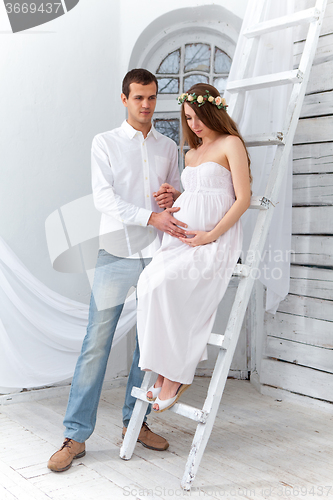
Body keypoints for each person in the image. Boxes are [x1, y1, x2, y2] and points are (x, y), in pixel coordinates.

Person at [47, 69, 188, 472]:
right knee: (96, 344)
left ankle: (136, 423)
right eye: (139, 97)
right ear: (124, 99)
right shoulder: (104, 143)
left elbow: (178, 194)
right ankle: (75, 437)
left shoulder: (167, 147)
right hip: (116, 253)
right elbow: (104, 200)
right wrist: (151, 217)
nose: (146, 105)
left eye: (152, 97)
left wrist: (172, 196)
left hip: (159, 255)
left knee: (151, 346)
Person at [136, 83, 252, 412]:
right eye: (188, 118)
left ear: (212, 111)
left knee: (169, 285)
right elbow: (199, 194)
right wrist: (177, 198)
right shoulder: (191, 153)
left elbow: (241, 199)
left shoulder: (231, 144)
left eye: (199, 116)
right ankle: (161, 368)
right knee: (148, 284)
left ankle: (176, 374)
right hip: (182, 239)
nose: (194, 124)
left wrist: (211, 235)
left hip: (214, 239)